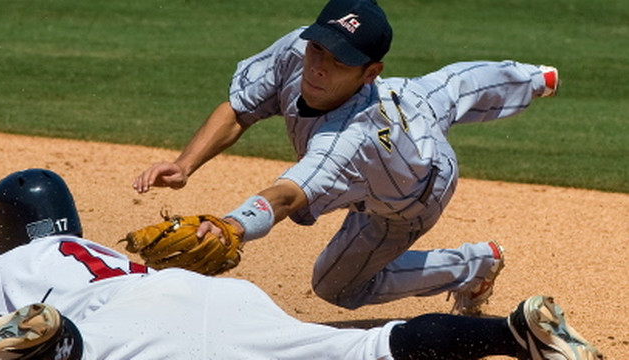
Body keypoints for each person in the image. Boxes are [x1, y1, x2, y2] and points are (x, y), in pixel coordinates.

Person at [0, 169, 602, 360]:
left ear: (5, 234)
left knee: (65, 346)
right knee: (368, 348)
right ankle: (517, 334)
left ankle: (52, 346)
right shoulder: (108, 253)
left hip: (108, 326)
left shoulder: (25, 259)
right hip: (218, 304)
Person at [132, 0, 561, 315]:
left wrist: (233, 225)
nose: (318, 66)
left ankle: (474, 264)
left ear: (368, 72)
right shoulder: (298, 49)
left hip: (410, 196)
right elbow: (241, 108)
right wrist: (185, 163)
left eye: (339, 61)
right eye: (318, 49)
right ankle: (535, 78)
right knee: (448, 88)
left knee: (336, 288)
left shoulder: (348, 140)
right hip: (410, 100)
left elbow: (287, 194)